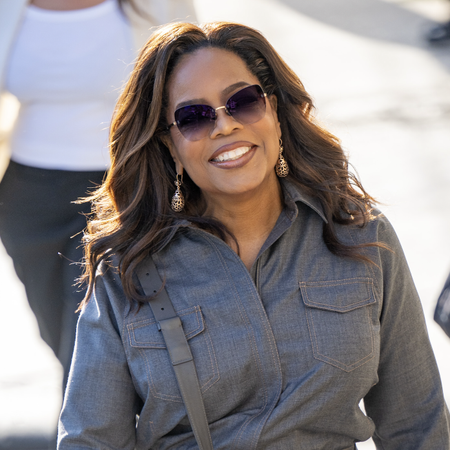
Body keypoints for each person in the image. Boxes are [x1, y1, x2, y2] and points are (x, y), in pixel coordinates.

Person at [58, 21, 450, 449]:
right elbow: (90, 441)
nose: (224, 127)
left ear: (275, 113)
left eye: (242, 102)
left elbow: (418, 422)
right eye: (193, 117)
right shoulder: (126, 272)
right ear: (171, 147)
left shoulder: (362, 238)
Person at [0, 0, 197, 391]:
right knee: (59, 335)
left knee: (89, 342)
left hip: (129, 187)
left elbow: (197, 75)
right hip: (28, 198)